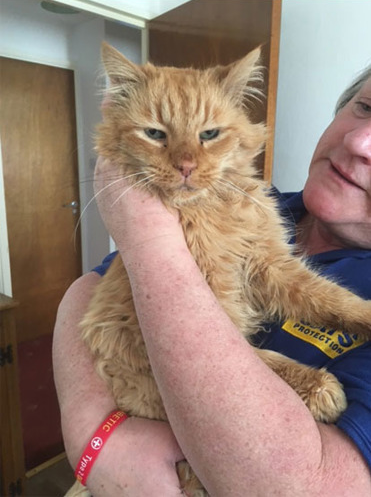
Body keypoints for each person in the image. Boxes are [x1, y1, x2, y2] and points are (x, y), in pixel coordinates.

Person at [53, 68, 371, 496]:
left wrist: (146, 236)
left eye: (207, 134)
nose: (359, 143)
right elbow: (88, 289)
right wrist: (93, 434)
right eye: (364, 108)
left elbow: (307, 484)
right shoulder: (255, 198)